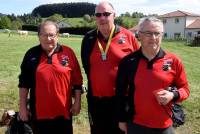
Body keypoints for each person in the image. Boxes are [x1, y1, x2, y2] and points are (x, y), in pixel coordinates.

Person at [116, 17, 190, 134]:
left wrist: (172, 95)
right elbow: (120, 93)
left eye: (157, 33)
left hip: (165, 126)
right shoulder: (128, 62)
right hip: (136, 124)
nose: (153, 38)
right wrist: (121, 119)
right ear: (139, 35)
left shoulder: (174, 61)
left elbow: (185, 90)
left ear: (162, 35)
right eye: (148, 33)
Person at [81, 1, 139, 134]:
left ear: (114, 15)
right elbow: (86, 66)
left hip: (121, 100)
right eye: (98, 14)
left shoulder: (128, 36)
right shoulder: (89, 38)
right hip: (96, 100)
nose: (102, 18)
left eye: (106, 14)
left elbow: (137, 66)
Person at [18, 20, 83, 134]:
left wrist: (77, 102)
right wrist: (23, 107)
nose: (48, 39)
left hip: (64, 113)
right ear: (39, 36)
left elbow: (77, 81)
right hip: (39, 114)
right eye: (44, 35)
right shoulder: (31, 54)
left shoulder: (68, 53)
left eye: (51, 35)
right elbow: (24, 83)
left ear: (57, 36)